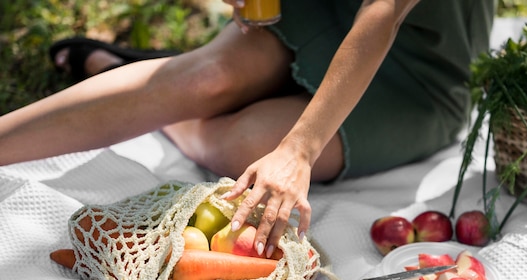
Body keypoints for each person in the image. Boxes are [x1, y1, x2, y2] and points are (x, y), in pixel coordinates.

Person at [0, 0, 495, 259]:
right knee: (204, 79)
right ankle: (143, 76)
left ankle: (119, 70)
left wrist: (299, 150)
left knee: (243, 145)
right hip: (322, 9)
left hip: (419, 66)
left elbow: (383, 11)